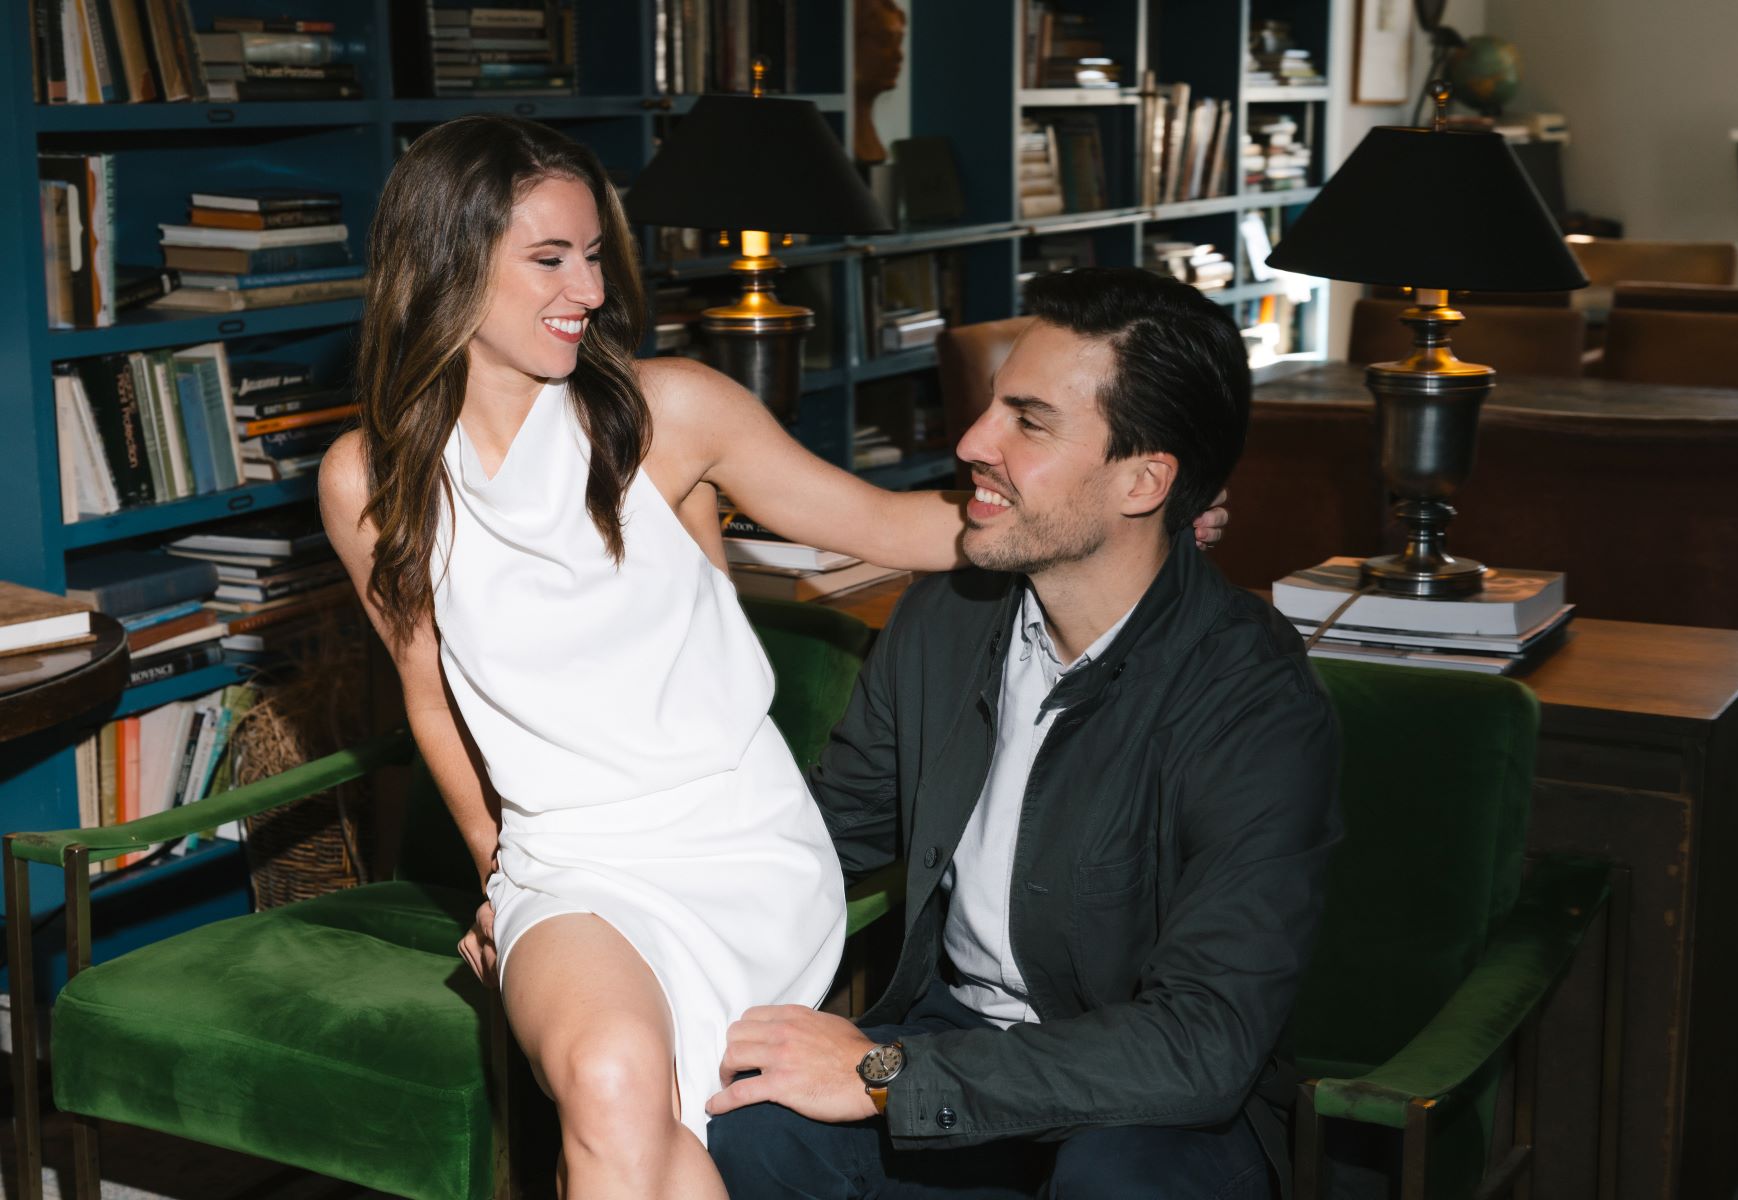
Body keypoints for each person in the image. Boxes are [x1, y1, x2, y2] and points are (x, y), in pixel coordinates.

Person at [321, 115, 1224, 1198]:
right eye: (551, 259)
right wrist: (499, 884)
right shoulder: (364, 481)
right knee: (611, 1081)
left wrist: (1123, 515)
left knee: (663, 1137)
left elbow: (894, 528)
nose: (590, 290)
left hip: (733, 844)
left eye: (596, 256)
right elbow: (431, 702)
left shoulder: (670, 413)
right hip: (565, 859)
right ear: (449, 262)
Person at [704, 267, 1342, 1199]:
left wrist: (888, 1078)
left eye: (1028, 421)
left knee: (1115, 1178)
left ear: (1143, 480)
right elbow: (814, 839)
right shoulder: (945, 619)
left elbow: (1203, 1042)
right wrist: (586, 903)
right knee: (750, 1129)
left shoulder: (1252, 697)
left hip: (1150, 1107)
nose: (971, 442)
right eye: (992, 406)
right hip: (956, 1042)